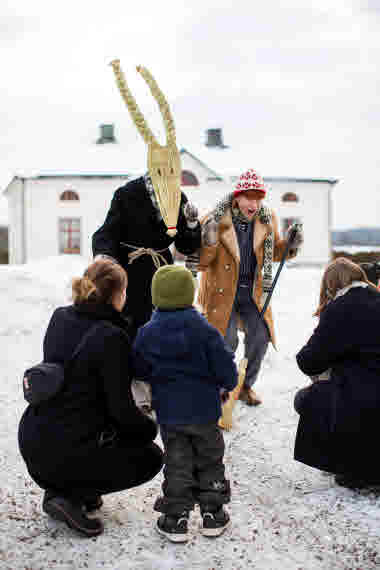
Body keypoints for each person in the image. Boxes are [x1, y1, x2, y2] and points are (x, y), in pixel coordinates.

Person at [18, 259, 163, 537]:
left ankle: (69, 489)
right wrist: (149, 429)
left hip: (33, 441)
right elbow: (121, 411)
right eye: (125, 291)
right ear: (117, 295)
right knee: (151, 457)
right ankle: (71, 495)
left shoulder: (60, 317)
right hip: (69, 450)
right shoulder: (112, 337)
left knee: (80, 421)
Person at [93, 61, 201, 339]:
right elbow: (107, 232)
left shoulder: (179, 197)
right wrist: (106, 259)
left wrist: (190, 224)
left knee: (161, 332)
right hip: (130, 273)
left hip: (162, 275)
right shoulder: (127, 194)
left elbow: (188, 246)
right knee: (131, 329)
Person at [133, 265, 238, 542]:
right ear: (189, 295)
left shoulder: (147, 333)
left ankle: (175, 518)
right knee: (209, 460)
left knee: (177, 463)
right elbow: (226, 368)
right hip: (205, 414)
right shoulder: (205, 331)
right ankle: (213, 514)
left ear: (156, 296)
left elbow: (140, 369)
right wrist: (226, 384)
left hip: (170, 416)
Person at [197, 168, 303, 406]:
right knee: (226, 340)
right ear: (237, 196)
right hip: (221, 293)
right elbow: (202, 262)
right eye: (249, 197)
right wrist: (210, 240)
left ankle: (245, 387)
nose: (253, 203)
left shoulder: (267, 219)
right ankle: (222, 389)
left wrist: (289, 244)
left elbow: (275, 251)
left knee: (260, 337)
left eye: (258, 197)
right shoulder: (214, 219)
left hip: (253, 292)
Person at [294, 257, 380, 489]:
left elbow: (308, 361)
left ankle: (347, 465)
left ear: (331, 286)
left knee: (305, 399)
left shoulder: (339, 308)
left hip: (359, 405)